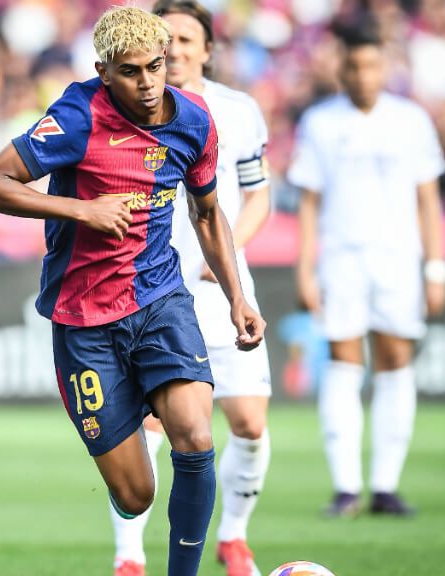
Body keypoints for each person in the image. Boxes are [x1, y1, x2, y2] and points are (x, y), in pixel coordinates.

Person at [0, 7, 266, 576]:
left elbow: (207, 214)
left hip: (160, 299)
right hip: (84, 321)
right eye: (131, 72)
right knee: (136, 495)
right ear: (104, 70)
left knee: (196, 436)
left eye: (156, 67)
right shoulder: (77, 115)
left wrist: (237, 297)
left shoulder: (195, 120)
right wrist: (80, 209)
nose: (149, 83)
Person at [103, 2, 275, 575]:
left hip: (220, 282)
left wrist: (227, 255)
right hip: (150, 289)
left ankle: (233, 537)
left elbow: (257, 196)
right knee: (155, 423)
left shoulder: (237, 111)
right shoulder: (121, 110)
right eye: (164, 37)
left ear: (206, 49)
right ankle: (130, 558)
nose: (173, 48)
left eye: (185, 38)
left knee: (248, 421)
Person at [288, 18, 445, 518]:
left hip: (399, 257)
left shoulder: (411, 120)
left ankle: (384, 485)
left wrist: (436, 267)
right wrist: (305, 269)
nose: (362, 74)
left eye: (372, 64)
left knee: (396, 358)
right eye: (354, 65)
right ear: (341, 68)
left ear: (386, 67)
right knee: (343, 359)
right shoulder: (320, 121)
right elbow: (309, 204)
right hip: (341, 257)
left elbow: (428, 199)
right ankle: (346, 486)